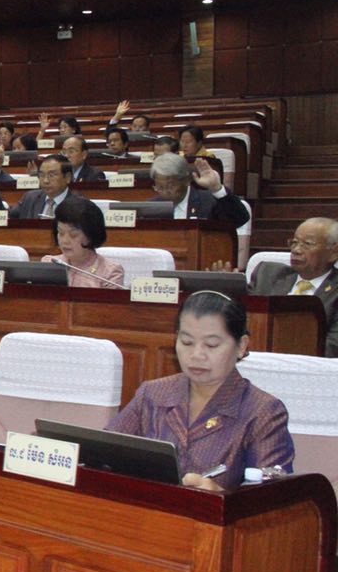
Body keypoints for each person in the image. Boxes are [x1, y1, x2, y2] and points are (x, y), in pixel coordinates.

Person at [106, 292, 294, 491]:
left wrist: (222, 498)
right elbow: (103, 453)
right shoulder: (152, 394)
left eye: (211, 345)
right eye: (187, 342)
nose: (196, 355)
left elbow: (272, 503)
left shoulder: (264, 412)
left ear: (241, 346)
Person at [245, 218, 338, 357]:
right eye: (294, 243)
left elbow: (333, 347)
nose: (296, 250)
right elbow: (239, 319)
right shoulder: (268, 275)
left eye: (307, 244)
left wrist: (278, 351)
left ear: (334, 253)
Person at [41, 197, 126, 288]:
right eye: (61, 233)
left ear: (90, 235)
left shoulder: (110, 273)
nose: (64, 240)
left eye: (73, 235)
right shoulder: (50, 263)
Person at [149, 153, 249, 228]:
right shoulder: (152, 207)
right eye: (159, 187)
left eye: (170, 186)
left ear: (187, 180)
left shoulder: (209, 202)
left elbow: (240, 220)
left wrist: (217, 189)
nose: (165, 192)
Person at [0, 154, 82, 219]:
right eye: (42, 175)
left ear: (68, 177)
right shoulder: (30, 198)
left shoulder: (79, 205)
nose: (45, 180)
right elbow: (6, 219)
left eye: (52, 175)